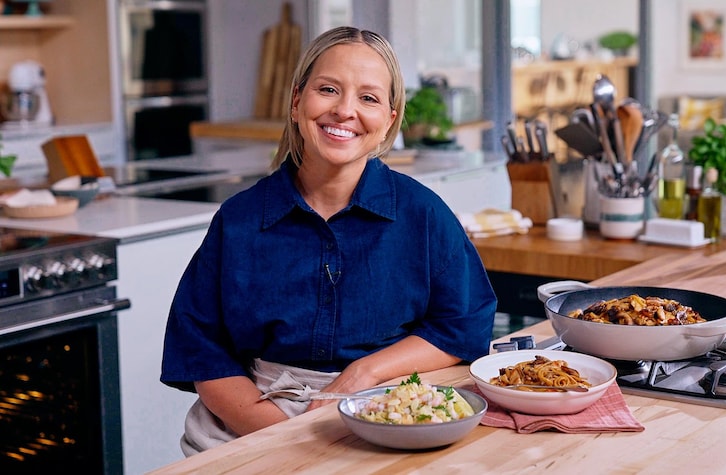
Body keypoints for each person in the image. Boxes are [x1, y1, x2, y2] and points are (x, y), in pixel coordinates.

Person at [160, 26, 497, 455]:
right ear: (298, 101)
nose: (344, 110)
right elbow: (202, 349)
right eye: (328, 89)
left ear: (390, 119)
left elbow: (461, 325)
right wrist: (284, 435)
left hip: (388, 415)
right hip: (248, 424)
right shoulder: (238, 220)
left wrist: (364, 373)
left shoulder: (424, 214)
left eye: (369, 98)